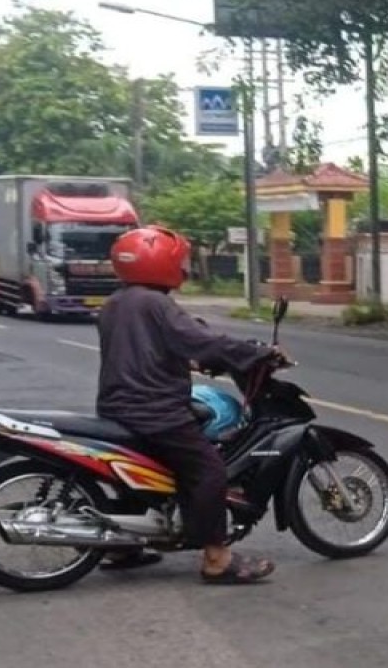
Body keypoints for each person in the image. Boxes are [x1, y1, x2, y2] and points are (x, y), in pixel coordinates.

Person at [96, 224, 278, 584]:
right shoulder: (156, 303)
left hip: (118, 408)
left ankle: (123, 545)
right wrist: (257, 353)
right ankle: (217, 558)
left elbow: (150, 347)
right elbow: (201, 340)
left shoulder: (115, 303)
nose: (183, 268)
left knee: (143, 473)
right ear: (159, 261)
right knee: (209, 470)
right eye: (179, 260)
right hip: (155, 411)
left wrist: (189, 358)